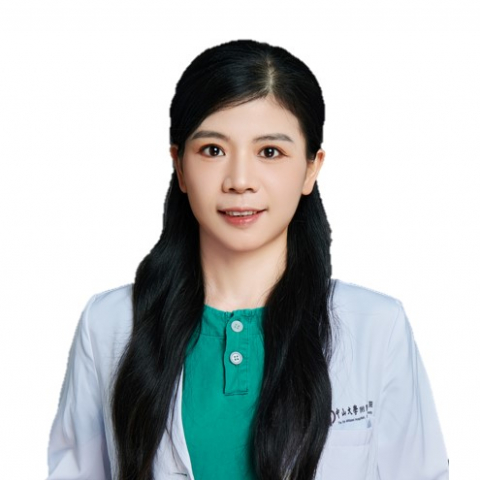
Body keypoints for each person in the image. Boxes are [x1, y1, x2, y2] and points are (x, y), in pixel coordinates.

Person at [46, 39, 449, 480]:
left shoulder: (377, 326)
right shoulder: (109, 324)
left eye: (270, 152)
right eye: (213, 150)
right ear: (179, 166)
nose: (239, 181)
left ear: (311, 168)